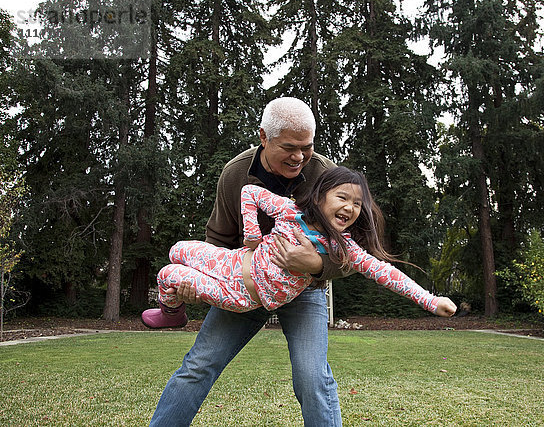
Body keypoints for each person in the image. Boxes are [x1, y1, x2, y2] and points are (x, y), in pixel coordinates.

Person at [147, 97, 345, 426]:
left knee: (313, 380)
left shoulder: (326, 176)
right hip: (244, 285)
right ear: (263, 137)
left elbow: (352, 252)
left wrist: (315, 264)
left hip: (304, 291)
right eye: (290, 147)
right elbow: (219, 241)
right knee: (199, 366)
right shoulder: (236, 173)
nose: (299, 157)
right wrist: (203, 282)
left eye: (306, 147)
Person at [142, 167, 457, 321]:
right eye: (343, 198)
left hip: (239, 295)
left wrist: (431, 301)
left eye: (357, 204)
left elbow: (387, 274)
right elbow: (249, 192)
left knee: (169, 275)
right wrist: (252, 233)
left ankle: (172, 313)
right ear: (321, 197)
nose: (350, 207)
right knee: (177, 250)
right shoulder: (290, 211)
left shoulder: (344, 249)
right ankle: (173, 304)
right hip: (232, 261)